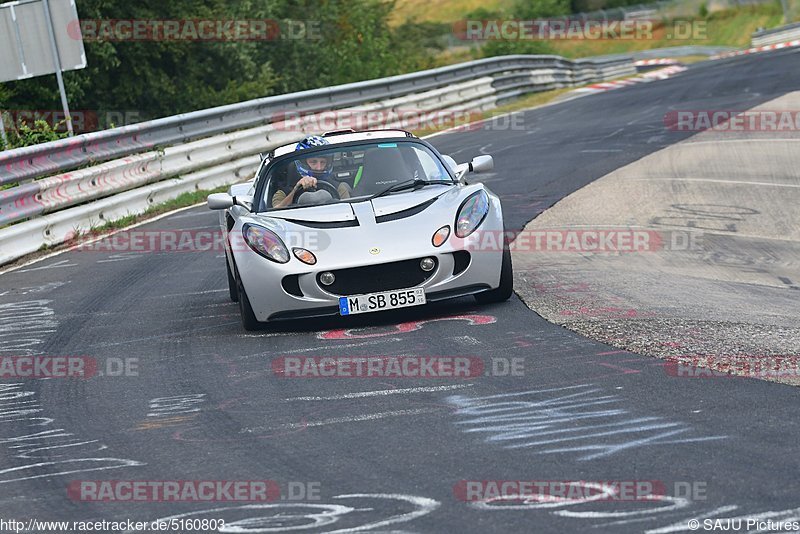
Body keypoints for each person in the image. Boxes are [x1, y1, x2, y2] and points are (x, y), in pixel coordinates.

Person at [271, 135, 352, 208]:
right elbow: (276, 212)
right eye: (314, 162)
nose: (319, 168)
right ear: (303, 163)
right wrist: (295, 190)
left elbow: (347, 210)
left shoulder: (339, 188)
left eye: (323, 162)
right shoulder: (283, 192)